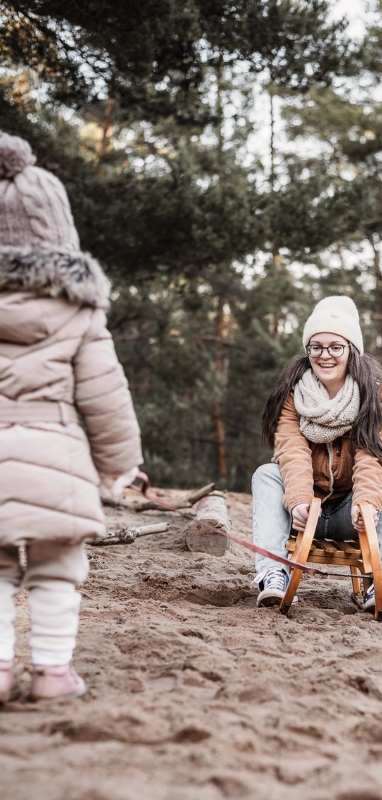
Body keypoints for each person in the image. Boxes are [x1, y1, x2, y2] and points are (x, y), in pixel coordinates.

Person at [0, 133, 143, 701]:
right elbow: (106, 397)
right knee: (58, 568)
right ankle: (54, 673)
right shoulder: (80, 315)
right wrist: (119, 468)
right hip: (54, 457)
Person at [252, 295, 382, 613]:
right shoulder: (292, 394)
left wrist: (366, 503)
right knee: (265, 473)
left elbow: (372, 454)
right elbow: (291, 450)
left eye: (335, 347)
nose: (325, 355)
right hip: (301, 513)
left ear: (351, 349)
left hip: (351, 515)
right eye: (316, 346)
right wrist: (297, 499)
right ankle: (273, 575)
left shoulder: (379, 396)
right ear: (308, 349)